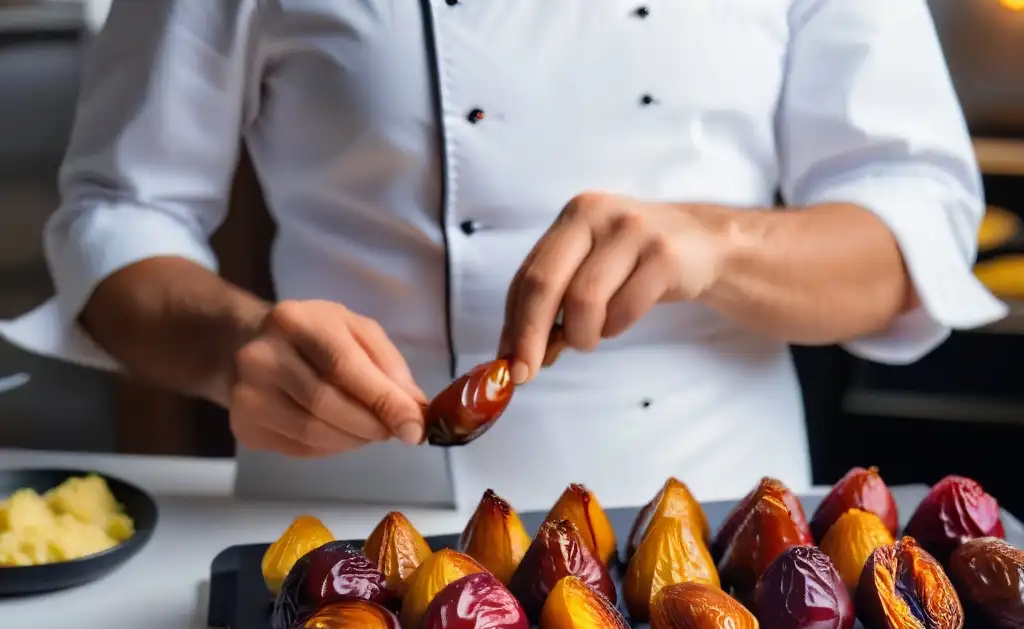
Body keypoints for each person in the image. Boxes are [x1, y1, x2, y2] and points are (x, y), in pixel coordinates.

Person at [0, 0, 1008, 513]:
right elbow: (116, 214)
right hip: (347, 504)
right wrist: (233, 347)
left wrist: (717, 242)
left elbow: (915, 222)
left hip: (711, 520)